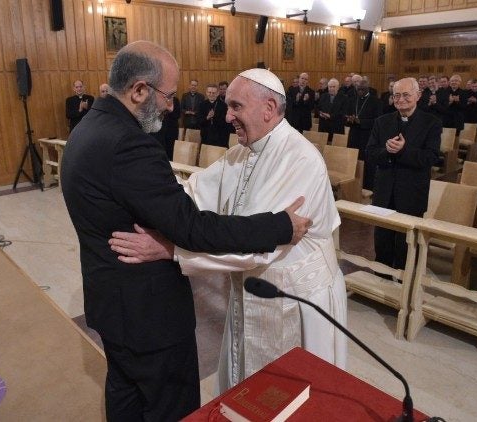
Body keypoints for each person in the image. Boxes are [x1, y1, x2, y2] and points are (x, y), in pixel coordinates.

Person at [60, 41, 312, 421]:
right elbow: (192, 228)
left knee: (125, 396)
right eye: (168, 95)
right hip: (149, 319)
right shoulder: (129, 144)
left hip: (111, 305)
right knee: (170, 408)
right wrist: (279, 225)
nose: (170, 105)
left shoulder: (87, 128)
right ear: (140, 90)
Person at [110, 68, 347, 392]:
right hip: (251, 291)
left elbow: (259, 245)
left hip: (295, 299)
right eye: (227, 105)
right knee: (249, 388)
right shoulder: (240, 153)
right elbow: (193, 194)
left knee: (294, 396)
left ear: (268, 108)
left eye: (236, 106)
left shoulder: (300, 159)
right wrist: (147, 179)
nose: (227, 116)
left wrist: (172, 251)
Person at [367, 77, 441, 272]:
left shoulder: (431, 123)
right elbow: (371, 153)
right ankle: (380, 279)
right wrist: (387, 151)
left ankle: (401, 286)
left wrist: (403, 150)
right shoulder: (382, 121)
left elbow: (431, 158)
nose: (401, 99)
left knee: (405, 246)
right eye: (396, 95)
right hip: (384, 192)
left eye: (406, 95)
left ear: (417, 95)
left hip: (411, 193)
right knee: (382, 241)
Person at [346, 79, 383, 189]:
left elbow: (378, 121)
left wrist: (361, 121)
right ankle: (352, 186)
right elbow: (345, 116)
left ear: (368, 88)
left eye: (362, 89)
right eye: (358, 89)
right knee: (353, 162)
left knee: (366, 164)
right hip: (353, 136)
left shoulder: (376, 102)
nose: (360, 92)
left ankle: (367, 188)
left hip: (367, 137)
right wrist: (349, 119)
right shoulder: (352, 100)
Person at [317, 78, 348, 142]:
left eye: (333, 87)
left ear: (338, 87)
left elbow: (343, 113)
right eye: (330, 87)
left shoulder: (344, 98)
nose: (331, 88)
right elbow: (318, 108)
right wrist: (320, 113)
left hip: (336, 128)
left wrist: (330, 116)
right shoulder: (323, 96)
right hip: (323, 128)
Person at [150, 95, 181, 159]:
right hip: (159, 129)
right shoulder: (157, 98)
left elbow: (178, 115)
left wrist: (168, 110)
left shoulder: (175, 100)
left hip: (171, 128)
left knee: (170, 149)